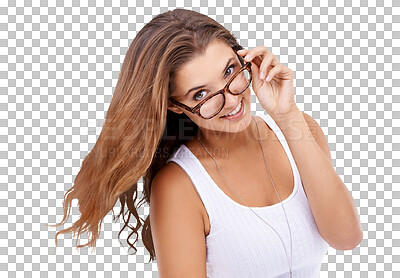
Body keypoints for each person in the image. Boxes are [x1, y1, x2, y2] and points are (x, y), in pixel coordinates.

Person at [49, 8, 363, 277]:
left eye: (230, 71)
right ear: (174, 105)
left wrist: (287, 114)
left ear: (246, 59)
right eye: (201, 94)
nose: (230, 101)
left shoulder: (299, 130)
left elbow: (346, 238)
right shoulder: (179, 186)